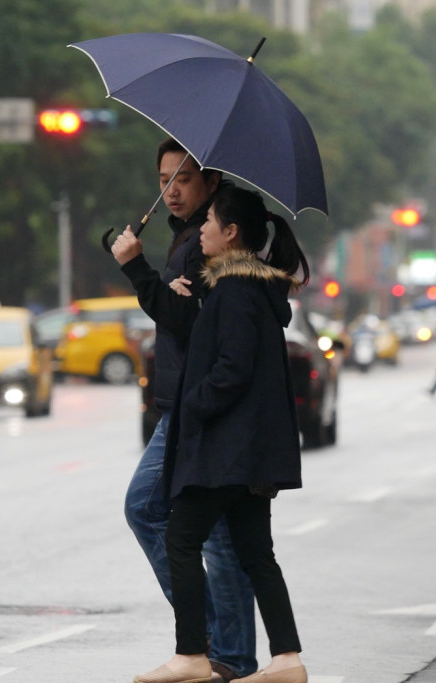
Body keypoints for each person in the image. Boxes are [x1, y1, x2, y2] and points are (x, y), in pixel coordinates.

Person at [134, 187, 310, 683]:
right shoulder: (239, 290)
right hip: (249, 451)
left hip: (226, 450)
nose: (202, 229)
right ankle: (286, 660)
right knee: (256, 552)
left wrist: (192, 407)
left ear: (231, 233)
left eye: (209, 220)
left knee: (181, 538)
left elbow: (231, 370)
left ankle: (191, 654)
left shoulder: (234, 291)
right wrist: (199, 302)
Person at [112, 138, 256, 682]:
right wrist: (161, 285)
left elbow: (191, 321)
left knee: (158, 512)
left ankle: (218, 647)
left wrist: (136, 269)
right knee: (206, 532)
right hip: (183, 400)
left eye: (185, 178)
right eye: (165, 179)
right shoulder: (188, 240)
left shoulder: (208, 244)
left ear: (211, 182)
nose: (172, 191)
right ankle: (228, 654)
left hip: (197, 405)